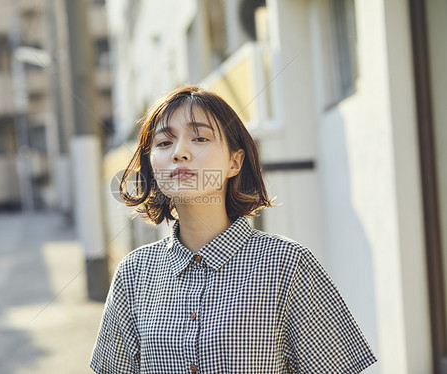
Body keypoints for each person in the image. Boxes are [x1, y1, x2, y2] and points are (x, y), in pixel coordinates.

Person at [90, 86, 377, 373]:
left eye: (200, 138)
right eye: (164, 143)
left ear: (234, 162)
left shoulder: (288, 264)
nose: (179, 153)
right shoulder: (134, 272)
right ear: (152, 166)